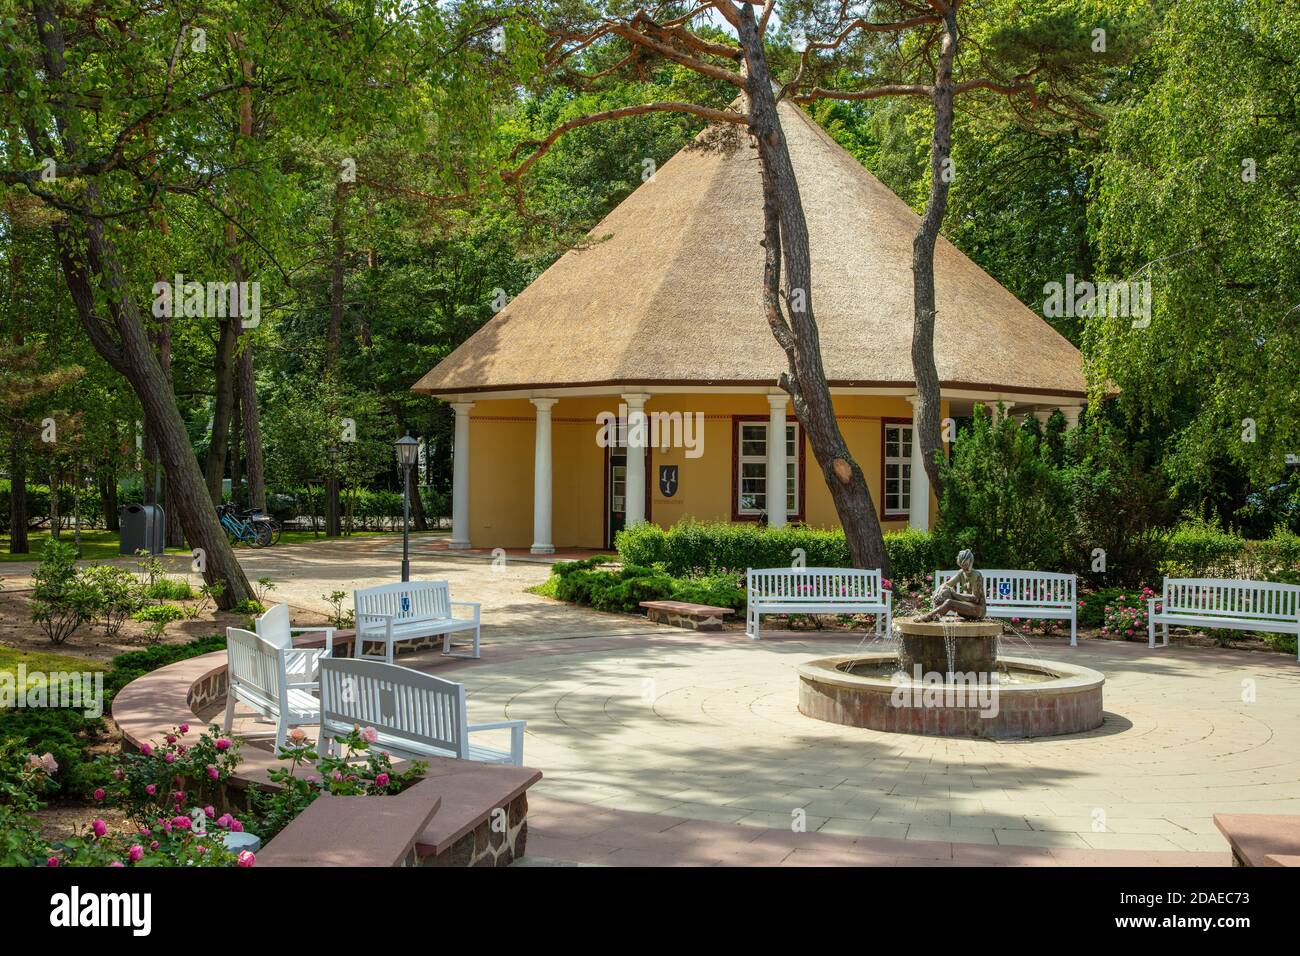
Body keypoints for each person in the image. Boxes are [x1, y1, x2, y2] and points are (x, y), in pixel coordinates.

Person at [920, 549, 986, 621]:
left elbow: (975, 599)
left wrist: (955, 595)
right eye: (962, 565)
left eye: (966, 565)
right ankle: (934, 619)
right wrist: (938, 592)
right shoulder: (961, 573)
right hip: (966, 607)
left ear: (971, 562)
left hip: (978, 610)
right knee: (944, 593)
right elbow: (947, 584)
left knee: (949, 602)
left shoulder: (976, 575)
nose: (964, 568)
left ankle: (928, 617)